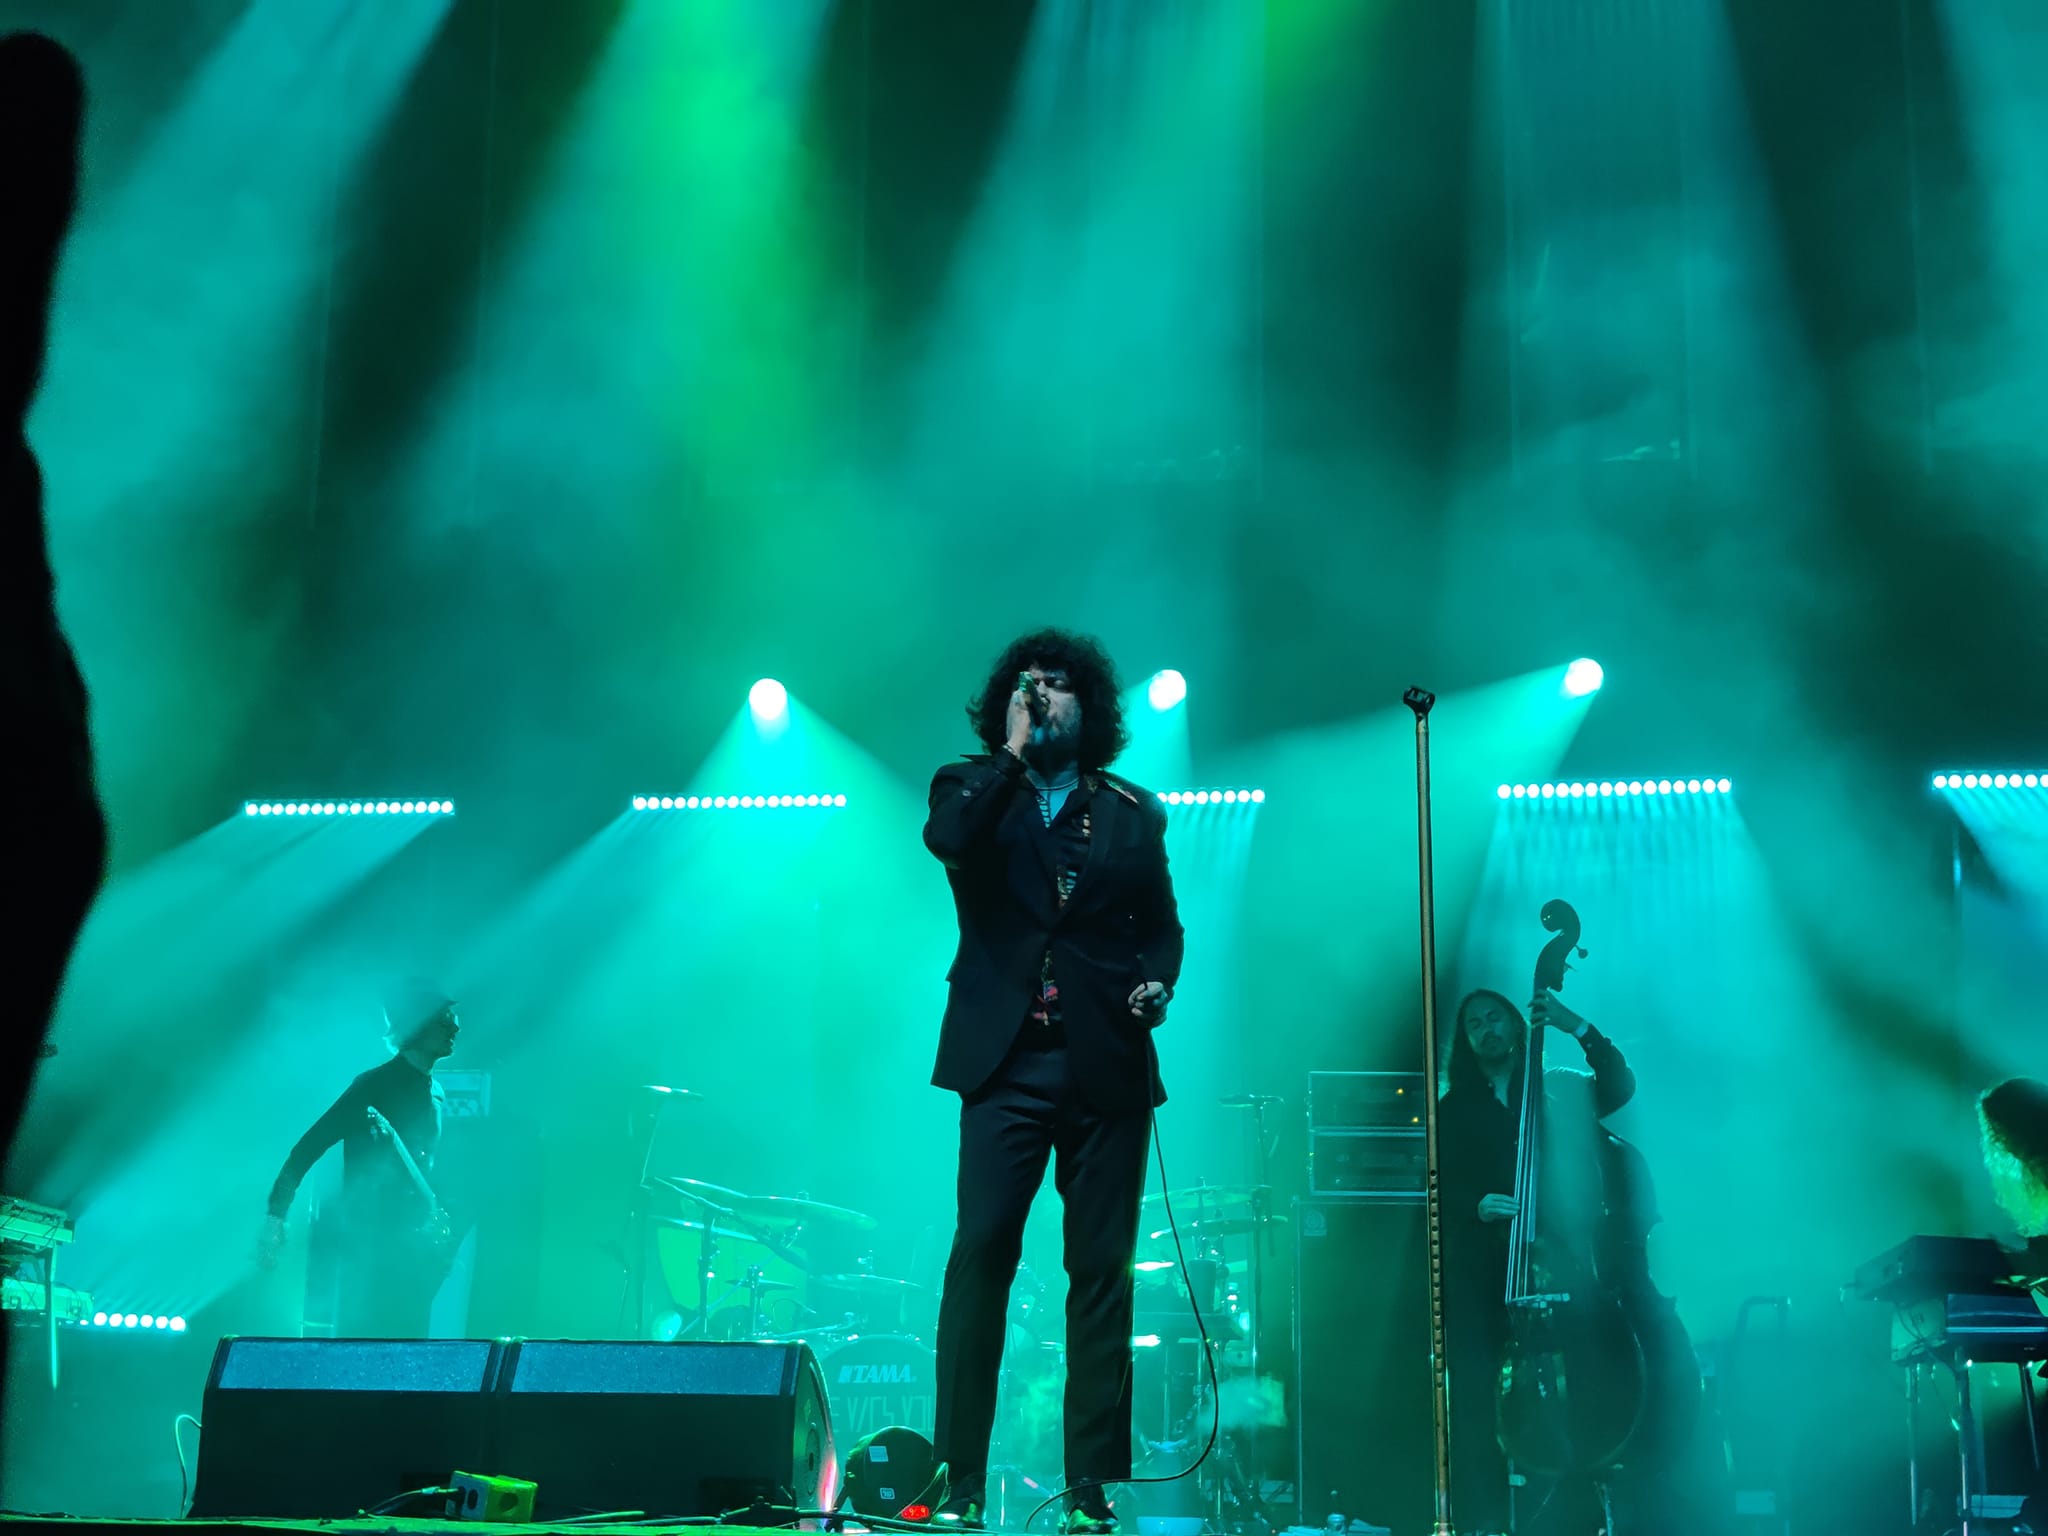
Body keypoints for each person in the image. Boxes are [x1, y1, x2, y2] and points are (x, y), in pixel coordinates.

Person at [922, 628, 1183, 1535]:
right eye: (1025, 684)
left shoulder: (1132, 810)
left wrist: (1158, 980)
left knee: (1101, 1272)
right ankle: (956, 1478)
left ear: (1091, 706)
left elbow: (1162, 926)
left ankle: (1089, 1489)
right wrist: (1011, 757)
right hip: (1005, 1064)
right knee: (982, 1253)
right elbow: (949, 843)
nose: (1040, 695)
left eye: (1059, 684)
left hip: (1104, 1064)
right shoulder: (967, 787)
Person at [1436, 988, 1638, 1536]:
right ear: (1466, 1040)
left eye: (1495, 1018)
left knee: (1579, 1385)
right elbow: (1436, 1188)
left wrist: (1577, 1025)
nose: (1487, 1029)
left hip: (1562, 1265)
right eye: (1474, 1024)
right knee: (1479, 1397)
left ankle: (1577, 1507)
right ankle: (1487, 1520)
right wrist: (1475, 1205)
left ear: (1515, 1024)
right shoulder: (1452, 1110)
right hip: (1484, 1276)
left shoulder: (1559, 1090)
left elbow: (1620, 1086)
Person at [257, 982, 461, 1337]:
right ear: (416, 1025)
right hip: (370, 1245)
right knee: (367, 1342)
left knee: (411, 1347)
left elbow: (428, 1168)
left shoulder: (437, 1092)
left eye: (453, 1018)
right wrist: (276, 1216)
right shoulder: (373, 1086)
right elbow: (306, 1149)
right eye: (444, 1019)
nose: (454, 1027)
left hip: (416, 1248)